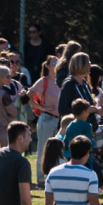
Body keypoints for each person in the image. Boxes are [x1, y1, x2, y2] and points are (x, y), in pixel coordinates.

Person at [29, 57, 61, 187]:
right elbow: (28, 96)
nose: (57, 64)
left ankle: (54, 176)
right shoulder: (43, 81)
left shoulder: (61, 81)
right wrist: (41, 107)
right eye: (54, 62)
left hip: (60, 120)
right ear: (47, 66)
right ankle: (41, 180)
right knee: (43, 149)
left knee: (58, 149)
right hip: (46, 118)